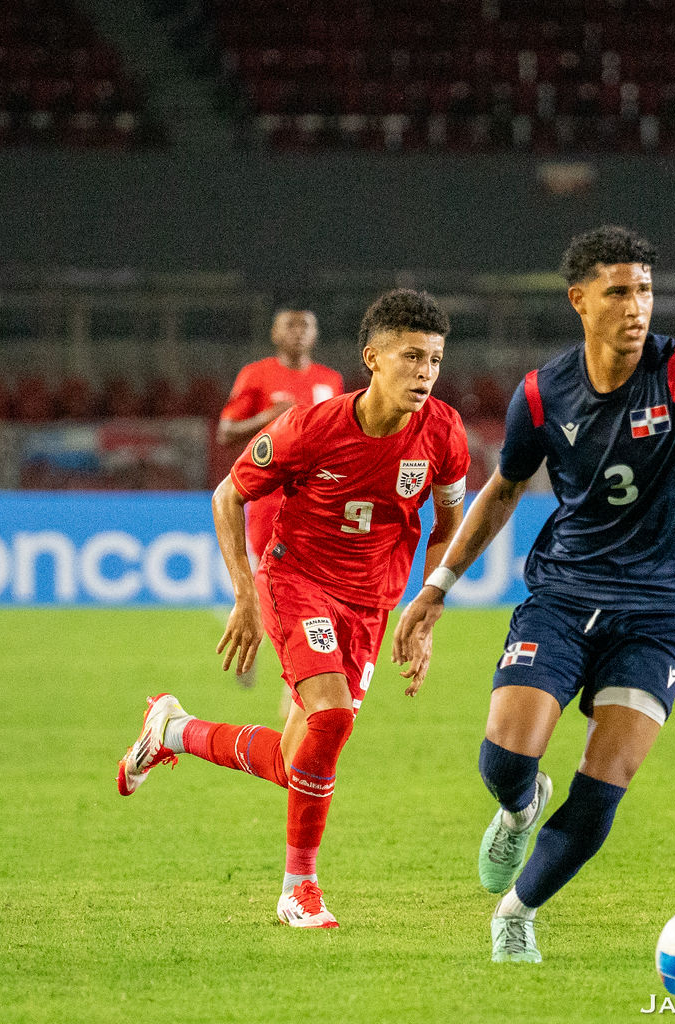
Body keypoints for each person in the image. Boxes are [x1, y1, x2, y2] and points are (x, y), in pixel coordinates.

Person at [392, 226, 675, 963]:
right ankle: (520, 810)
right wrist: (437, 587)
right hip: (563, 594)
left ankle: (517, 914)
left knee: (605, 780)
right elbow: (505, 487)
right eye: (618, 291)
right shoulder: (542, 392)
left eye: (644, 289)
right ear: (580, 301)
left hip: (657, 611)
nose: (636, 305)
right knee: (505, 761)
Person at [118, 289, 470, 929]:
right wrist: (245, 595)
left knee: (298, 761)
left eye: (435, 361)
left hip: (372, 603)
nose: (425, 373)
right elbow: (228, 496)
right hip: (297, 579)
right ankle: (298, 890)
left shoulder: (443, 432)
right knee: (330, 717)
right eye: (412, 357)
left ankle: (172, 730)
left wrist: (428, 605)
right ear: (372, 358)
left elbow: (450, 523)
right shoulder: (312, 427)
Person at [217, 309, 343, 689]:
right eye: (291, 324)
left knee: (315, 589)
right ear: (274, 332)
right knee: (265, 584)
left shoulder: (330, 380)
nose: (299, 332)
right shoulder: (257, 375)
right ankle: (250, 634)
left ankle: (304, 671)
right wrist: (268, 417)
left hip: (317, 505)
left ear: (316, 333)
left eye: (306, 324)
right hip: (268, 502)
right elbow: (225, 431)